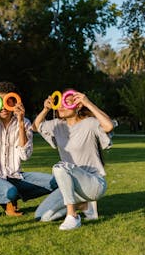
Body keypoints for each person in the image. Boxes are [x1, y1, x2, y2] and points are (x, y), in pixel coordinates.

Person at [0, 81, 56, 219]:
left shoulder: (24, 122)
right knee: (11, 192)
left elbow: (25, 155)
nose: (3, 106)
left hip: (15, 176)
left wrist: (20, 123)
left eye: (8, 101)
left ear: (15, 102)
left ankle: (8, 199)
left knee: (55, 183)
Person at [32, 89, 114, 230]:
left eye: (66, 102)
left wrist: (87, 102)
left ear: (78, 105)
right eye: (60, 103)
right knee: (42, 216)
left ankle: (73, 216)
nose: (61, 106)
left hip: (93, 183)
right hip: (71, 186)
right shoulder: (57, 125)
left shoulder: (90, 123)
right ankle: (84, 205)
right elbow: (35, 127)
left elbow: (109, 125)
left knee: (60, 168)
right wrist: (46, 109)